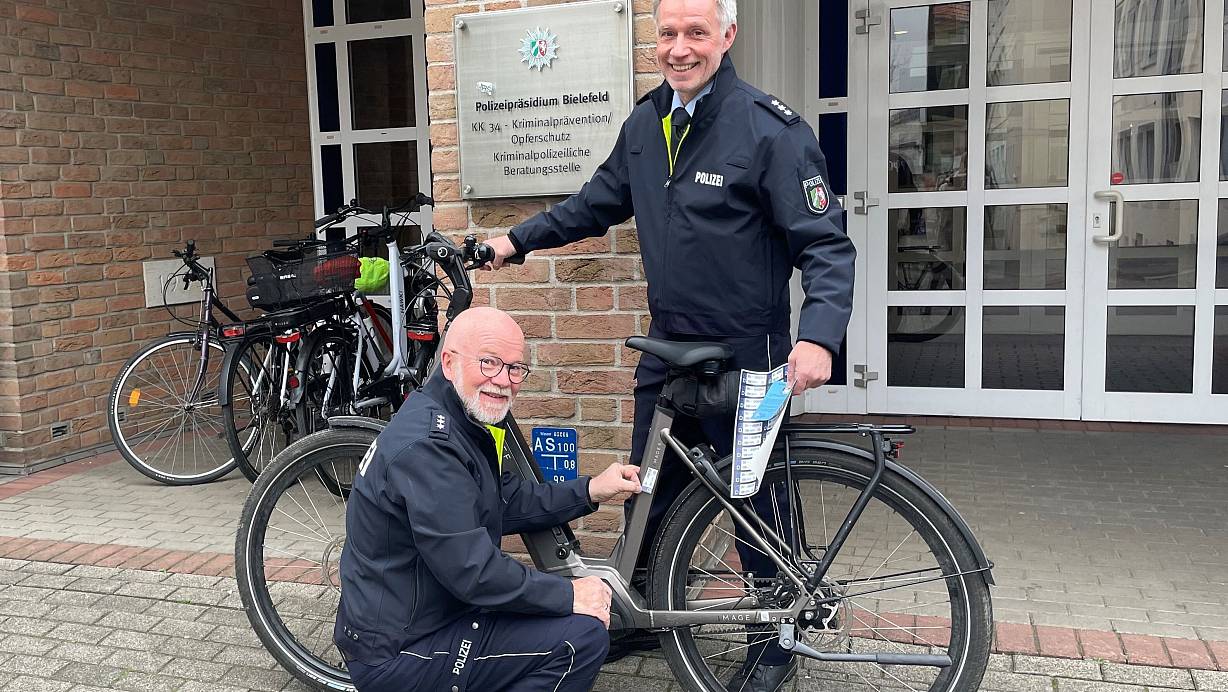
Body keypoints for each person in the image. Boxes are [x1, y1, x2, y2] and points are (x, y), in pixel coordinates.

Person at [485, 0, 855, 689]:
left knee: (755, 501)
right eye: (668, 33)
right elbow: (593, 204)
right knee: (648, 487)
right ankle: (640, 614)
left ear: (727, 37)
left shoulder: (770, 130)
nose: (680, 48)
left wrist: (820, 338)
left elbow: (826, 246)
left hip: (749, 352)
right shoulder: (647, 122)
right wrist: (516, 240)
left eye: (696, 33)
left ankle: (778, 637)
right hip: (669, 349)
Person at [335, 307, 643, 692]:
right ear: (449, 362)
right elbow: (473, 572)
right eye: (490, 363)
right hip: (403, 652)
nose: (503, 381)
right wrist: (570, 594)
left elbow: (503, 498)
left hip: (427, 617)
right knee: (579, 638)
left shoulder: (461, 418)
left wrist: (589, 489)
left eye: (515, 368)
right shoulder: (430, 447)